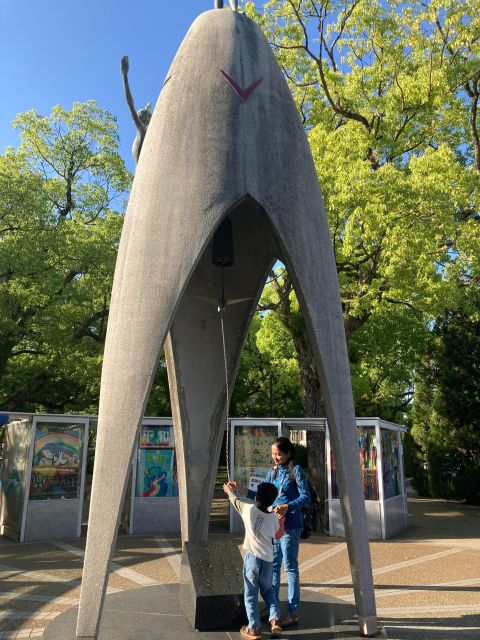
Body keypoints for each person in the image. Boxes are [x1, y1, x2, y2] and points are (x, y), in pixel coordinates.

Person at [224, 480, 284, 640]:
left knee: (250, 594)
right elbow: (278, 535)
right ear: (271, 500)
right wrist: (281, 519)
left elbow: (235, 501)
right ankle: (275, 621)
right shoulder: (273, 518)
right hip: (268, 560)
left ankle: (254, 628)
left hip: (252, 559)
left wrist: (229, 491)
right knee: (269, 591)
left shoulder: (249, 510)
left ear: (256, 496)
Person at [264, 437, 311, 627]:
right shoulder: (272, 472)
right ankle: (273, 609)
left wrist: (287, 506)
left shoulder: (296, 471)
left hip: (290, 525)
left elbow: (305, 497)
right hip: (274, 526)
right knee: (273, 567)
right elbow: (263, 494)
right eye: (273, 454)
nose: (275, 457)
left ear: (288, 453)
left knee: (290, 568)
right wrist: (239, 491)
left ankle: (292, 612)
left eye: (279, 454)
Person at [120, 55, 152, 166]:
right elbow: (131, 105)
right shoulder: (142, 131)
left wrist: (125, 76)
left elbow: (132, 106)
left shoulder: (143, 131)